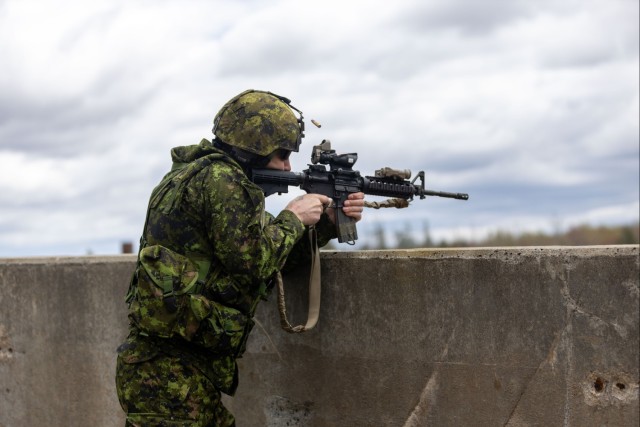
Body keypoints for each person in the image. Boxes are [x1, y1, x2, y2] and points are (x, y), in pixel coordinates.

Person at [115, 89, 365, 426]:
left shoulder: (198, 174)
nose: (289, 167)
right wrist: (293, 217)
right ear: (255, 148)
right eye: (282, 155)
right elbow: (252, 264)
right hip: (168, 375)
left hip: (175, 370)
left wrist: (325, 225)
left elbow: (272, 258)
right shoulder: (222, 181)